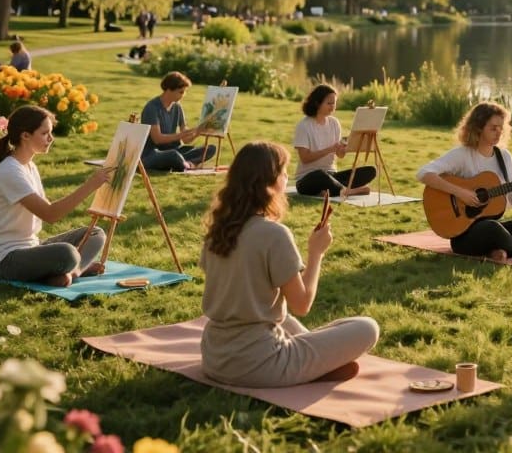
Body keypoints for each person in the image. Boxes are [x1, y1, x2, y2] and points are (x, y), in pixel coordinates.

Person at [200, 141, 379, 387]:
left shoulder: (217, 230)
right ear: (269, 183)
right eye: (284, 173)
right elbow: (302, 304)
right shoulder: (273, 234)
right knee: (367, 327)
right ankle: (316, 365)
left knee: (280, 318)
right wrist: (316, 253)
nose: (287, 179)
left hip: (214, 358)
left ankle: (317, 361)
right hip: (259, 364)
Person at [0, 105, 113, 287]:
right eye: (45, 133)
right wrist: (90, 185)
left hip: (31, 247)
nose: (51, 139)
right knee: (67, 254)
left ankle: (73, 272)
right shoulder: (9, 171)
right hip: (3, 261)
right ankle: (69, 269)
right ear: (25, 135)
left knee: (95, 233)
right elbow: (51, 214)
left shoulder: (29, 166)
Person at [416, 101, 512, 261]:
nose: (498, 132)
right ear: (478, 128)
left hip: (493, 230)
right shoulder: (463, 154)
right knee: (491, 227)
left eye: (501, 127)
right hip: (465, 237)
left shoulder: (504, 157)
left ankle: (499, 250)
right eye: (493, 128)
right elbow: (424, 173)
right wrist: (461, 193)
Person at [293, 84, 375, 197]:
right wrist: (329, 149)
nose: (333, 106)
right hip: (308, 178)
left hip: (332, 175)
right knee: (319, 175)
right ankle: (347, 191)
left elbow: (339, 155)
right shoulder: (304, 126)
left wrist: (343, 149)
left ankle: (329, 190)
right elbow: (305, 158)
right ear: (317, 103)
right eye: (329, 103)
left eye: (334, 103)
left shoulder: (334, 123)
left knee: (370, 171)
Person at [140, 71, 215, 172]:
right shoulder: (152, 108)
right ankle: (184, 163)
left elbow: (186, 140)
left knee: (210, 149)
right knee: (173, 155)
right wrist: (180, 135)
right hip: (154, 153)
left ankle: (185, 163)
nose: (183, 95)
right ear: (169, 90)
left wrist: (198, 132)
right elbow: (157, 139)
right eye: (181, 92)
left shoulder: (177, 107)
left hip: (175, 149)